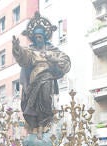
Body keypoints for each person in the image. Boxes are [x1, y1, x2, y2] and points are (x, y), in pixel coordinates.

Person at [12, 11, 71, 139]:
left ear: (44, 37)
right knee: (34, 103)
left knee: (46, 100)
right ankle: (36, 127)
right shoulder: (31, 51)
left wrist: (53, 59)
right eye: (35, 37)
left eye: (40, 37)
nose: (37, 39)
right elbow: (23, 57)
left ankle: (43, 126)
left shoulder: (52, 50)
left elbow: (65, 60)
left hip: (47, 79)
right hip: (34, 79)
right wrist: (17, 48)